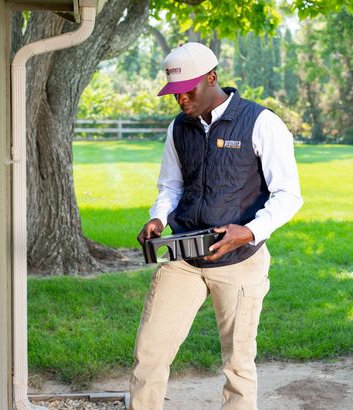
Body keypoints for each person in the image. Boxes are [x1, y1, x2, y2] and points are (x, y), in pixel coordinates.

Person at [129, 42, 303, 410]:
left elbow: (289, 195)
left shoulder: (261, 122)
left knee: (238, 365)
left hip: (240, 260)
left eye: (187, 90)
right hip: (184, 258)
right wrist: (159, 216)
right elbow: (171, 186)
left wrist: (251, 230)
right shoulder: (179, 128)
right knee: (150, 354)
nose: (180, 100)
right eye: (174, 93)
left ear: (212, 77)